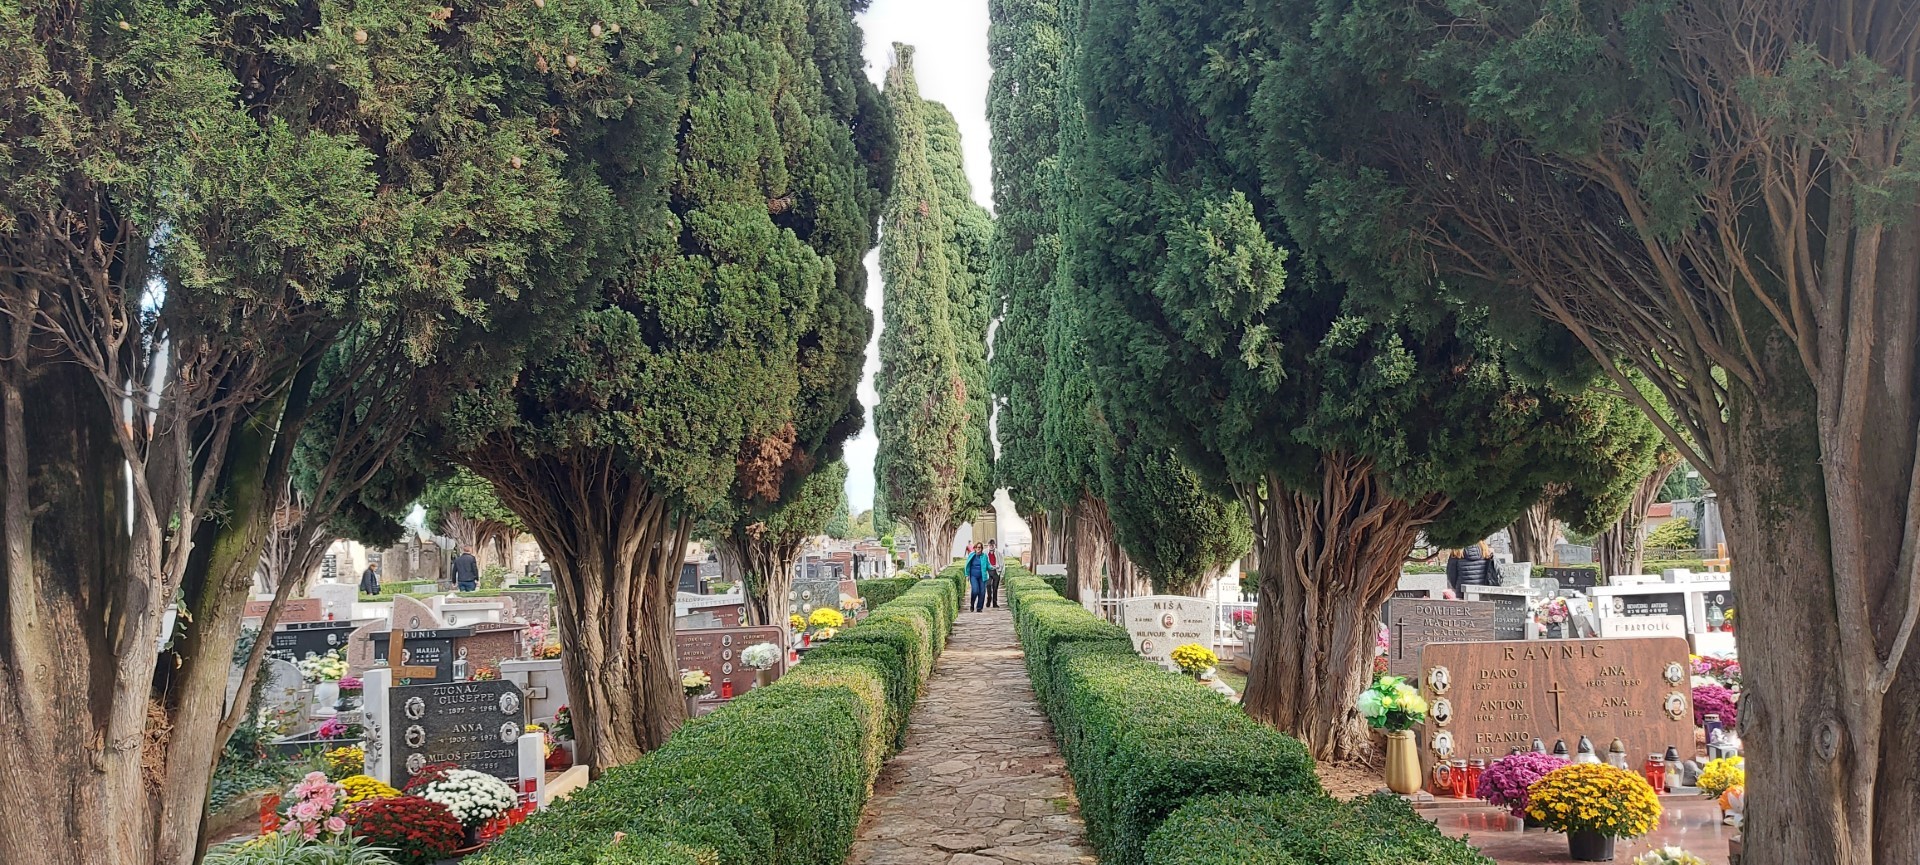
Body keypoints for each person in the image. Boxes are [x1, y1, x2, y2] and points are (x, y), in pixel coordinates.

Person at [965, 543, 990, 613]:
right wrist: (967, 575)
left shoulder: (984, 556)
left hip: (982, 576)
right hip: (973, 576)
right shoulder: (971, 555)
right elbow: (967, 565)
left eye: (980, 548)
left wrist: (993, 567)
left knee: (982, 592)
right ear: (975, 548)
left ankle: (979, 607)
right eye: (977, 547)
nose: (979, 549)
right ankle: (972, 604)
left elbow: (988, 565)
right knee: (975, 590)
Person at [985, 540, 1002, 608]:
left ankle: (995, 603)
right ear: (988, 545)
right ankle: (989, 598)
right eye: (990, 545)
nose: (991, 546)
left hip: (996, 571)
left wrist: (1000, 571)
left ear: (995, 545)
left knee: (995, 588)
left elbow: (1002, 563)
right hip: (988, 571)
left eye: (993, 545)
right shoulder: (985, 552)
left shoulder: (998, 553)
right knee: (988, 585)